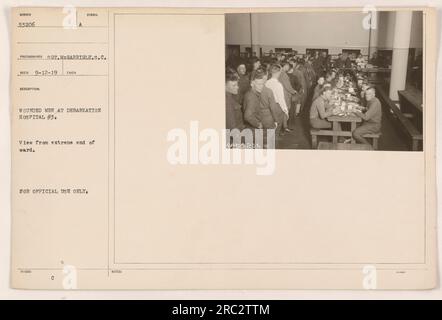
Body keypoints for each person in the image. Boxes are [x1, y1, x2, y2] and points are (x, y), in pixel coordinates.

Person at [265, 64, 290, 134]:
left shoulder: (266, 83)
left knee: (270, 129)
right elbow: (281, 100)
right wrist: (286, 111)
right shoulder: (278, 85)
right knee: (276, 129)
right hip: (277, 108)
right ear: (278, 73)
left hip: (268, 108)